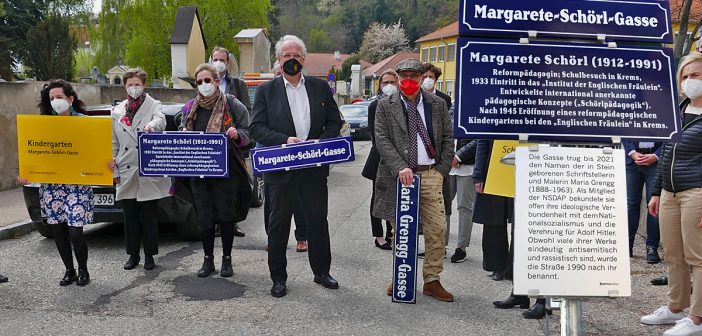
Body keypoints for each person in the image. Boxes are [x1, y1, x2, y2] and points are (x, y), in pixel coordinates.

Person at [250, 35, 342, 298]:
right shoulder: (267, 91)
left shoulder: (320, 88)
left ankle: (321, 272)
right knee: (278, 225)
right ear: (279, 61)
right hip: (281, 170)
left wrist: (321, 142)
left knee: (317, 221)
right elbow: (256, 128)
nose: (292, 60)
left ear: (304, 59)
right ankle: (278, 277)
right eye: (286, 56)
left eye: (297, 56)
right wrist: (284, 141)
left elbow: (335, 122)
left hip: (313, 170)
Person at [373, 58, 455, 302]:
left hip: (431, 173)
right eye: (404, 76)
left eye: (414, 76)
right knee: (402, 231)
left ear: (422, 78)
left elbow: (448, 139)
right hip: (402, 177)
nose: (409, 80)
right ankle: (401, 276)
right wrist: (399, 167)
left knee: (437, 229)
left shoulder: (437, 104)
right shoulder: (385, 106)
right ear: (398, 78)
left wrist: (440, 171)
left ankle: (432, 280)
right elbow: (381, 139)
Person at [642, 52, 702, 336]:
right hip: (668, 192)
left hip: (696, 193)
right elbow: (666, 152)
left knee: (698, 256)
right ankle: (675, 308)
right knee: (673, 254)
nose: (690, 81)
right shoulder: (678, 110)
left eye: (696, 75)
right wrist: (656, 192)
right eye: (686, 76)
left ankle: (698, 319)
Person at [18, 79, 97, 286]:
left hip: (77, 185)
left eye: (59, 97)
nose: (55, 101)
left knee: (75, 230)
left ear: (70, 99)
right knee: (59, 230)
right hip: (52, 186)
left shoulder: (84, 122)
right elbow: (34, 153)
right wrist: (26, 173)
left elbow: (95, 151)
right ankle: (69, 270)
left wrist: (106, 164)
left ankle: (83, 269)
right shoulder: (43, 124)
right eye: (51, 98)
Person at [179, 63, 252, 278]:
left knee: (226, 216)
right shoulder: (190, 107)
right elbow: (182, 129)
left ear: (217, 81)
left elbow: (249, 131)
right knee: (205, 217)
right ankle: (208, 259)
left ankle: (227, 260)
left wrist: (237, 134)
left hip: (226, 172)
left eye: (207, 80)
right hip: (198, 173)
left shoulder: (232, 104)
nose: (203, 85)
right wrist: (183, 132)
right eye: (199, 81)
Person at [109, 68, 169, 271]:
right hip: (125, 167)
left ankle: (150, 256)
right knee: (130, 217)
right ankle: (132, 255)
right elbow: (113, 143)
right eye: (129, 85)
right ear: (124, 86)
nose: (133, 88)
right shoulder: (117, 111)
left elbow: (161, 120)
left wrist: (151, 126)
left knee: (149, 216)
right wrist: (114, 171)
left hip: (148, 166)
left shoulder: (154, 104)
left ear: (144, 85)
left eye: (137, 84)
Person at [261, 60, 307, 253]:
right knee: (271, 205)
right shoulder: (267, 93)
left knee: (299, 202)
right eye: (279, 74)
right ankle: (273, 238)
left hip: (299, 157)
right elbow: (258, 127)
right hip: (272, 159)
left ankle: (302, 237)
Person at [211, 46, 249, 238]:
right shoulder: (204, 81)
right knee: (215, 187)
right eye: (215, 58)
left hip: (232, 143)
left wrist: (237, 132)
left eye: (222, 60)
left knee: (232, 188)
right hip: (212, 145)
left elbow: (245, 111)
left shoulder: (238, 84)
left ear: (227, 63)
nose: (218, 62)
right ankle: (216, 223)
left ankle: (232, 223)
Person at [362, 69, 398, 250]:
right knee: (378, 197)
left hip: (400, 158)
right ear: (380, 85)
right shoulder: (374, 105)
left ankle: (391, 233)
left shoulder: (402, 103)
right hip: (379, 158)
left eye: (393, 81)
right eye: (385, 82)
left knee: (395, 198)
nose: (389, 85)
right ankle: (379, 236)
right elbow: (375, 136)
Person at [623, 140, 662, 263]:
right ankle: (626, 246)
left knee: (654, 205)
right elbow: (624, 128)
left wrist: (657, 155)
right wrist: (632, 152)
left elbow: (670, 133)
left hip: (656, 162)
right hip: (632, 162)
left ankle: (652, 248)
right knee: (630, 205)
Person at [449, 139, 477, 263]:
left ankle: (461, 248)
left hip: (468, 166)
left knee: (464, 207)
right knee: (442, 205)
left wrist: (459, 156)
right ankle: (439, 246)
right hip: (447, 165)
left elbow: (479, 139)